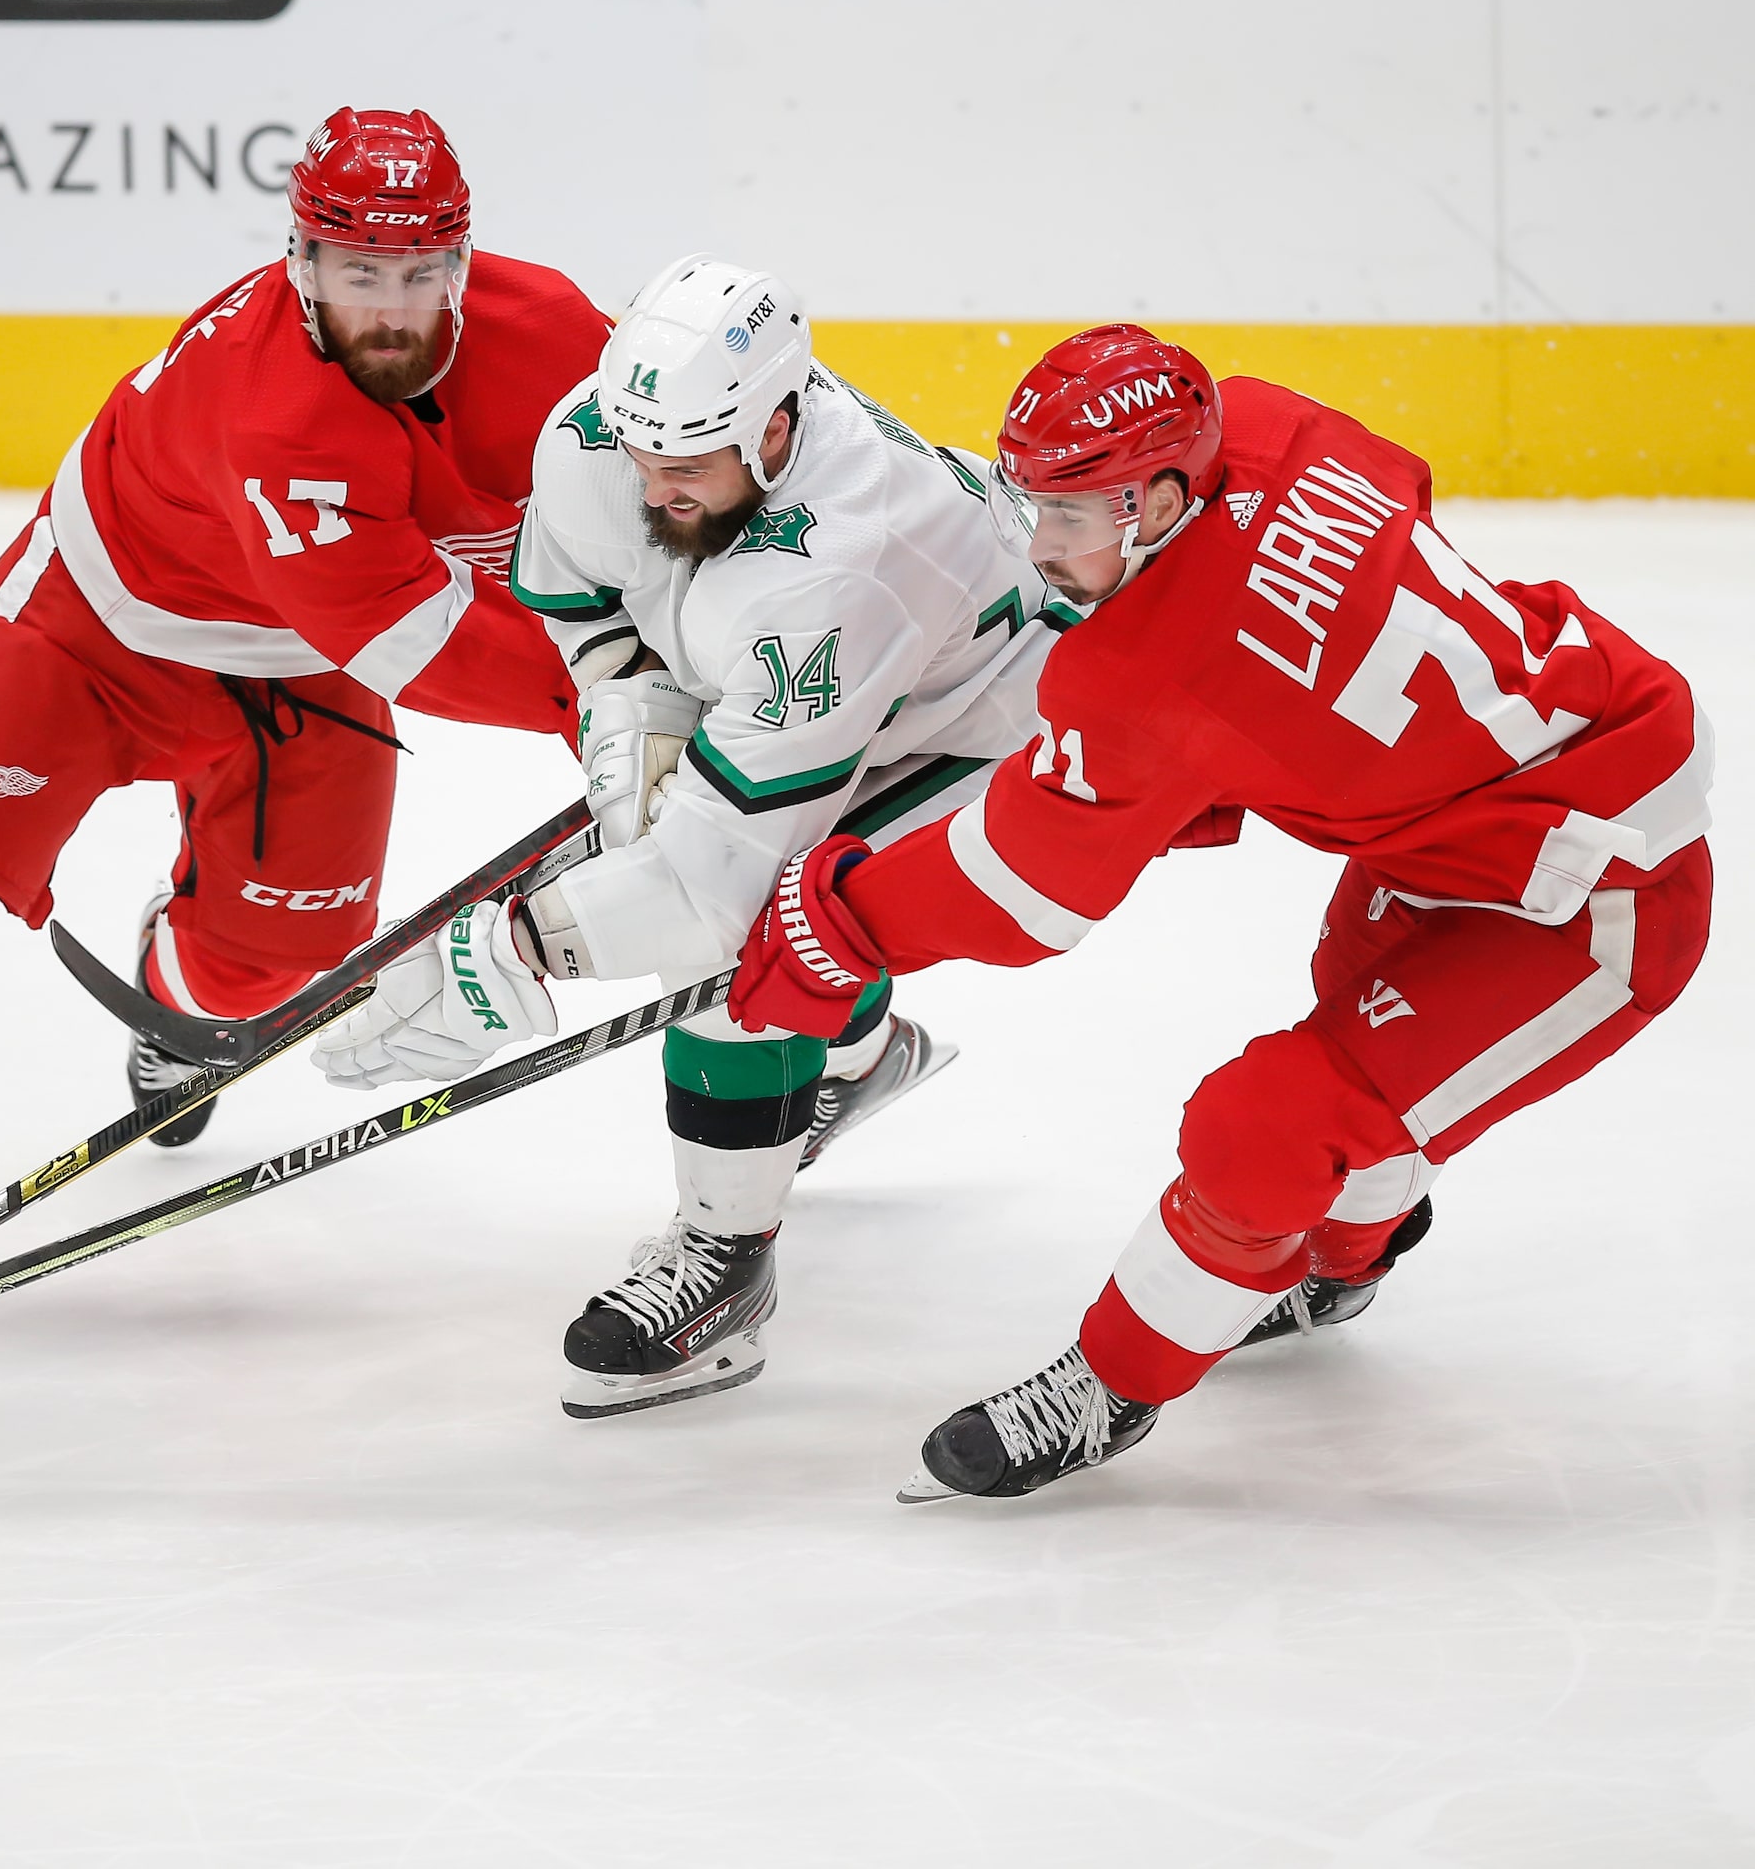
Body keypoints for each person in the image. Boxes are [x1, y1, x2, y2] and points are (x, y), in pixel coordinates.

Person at [0, 108, 608, 1294]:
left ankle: (163, 1007)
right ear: (300, 262)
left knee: (267, 965)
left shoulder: (551, 330)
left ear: (462, 261)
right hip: (90, 629)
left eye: (419, 272)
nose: (392, 308)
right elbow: (419, 636)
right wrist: (615, 708)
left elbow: (657, 498)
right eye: (359, 271)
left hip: (297, 659)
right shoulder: (278, 410)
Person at [729, 325, 1715, 1498]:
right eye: (1032, 505)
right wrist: (1255, 745)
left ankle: (1111, 1386)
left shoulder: (1146, 681)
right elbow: (1397, 492)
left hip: (1595, 894)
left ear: (1157, 498)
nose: (1043, 549)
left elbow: (1024, 892)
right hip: (1504, 789)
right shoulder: (1264, 422)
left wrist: (835, 923)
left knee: (1275, 1125)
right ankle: (1348, 1263)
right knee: (1354, 1038)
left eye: (1075, 518)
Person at [313, 256, 1069, 1418]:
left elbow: (719, 887)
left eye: (690, 464)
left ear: (777, 426)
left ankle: (725, 1265)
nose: (656, 483)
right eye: (640, 452)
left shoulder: (845, 556)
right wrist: (634, 701)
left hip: (980, 719)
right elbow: (579, 599)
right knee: (679, 870)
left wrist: (518, 951)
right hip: (807, 687)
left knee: (749, 949)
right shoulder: (600, 437)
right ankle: (858, 1061)